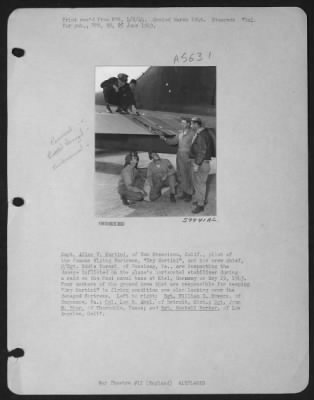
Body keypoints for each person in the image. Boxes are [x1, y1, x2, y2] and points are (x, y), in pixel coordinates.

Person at [161, 117, 194, 202]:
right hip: (179, 155)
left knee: (188, 175)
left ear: (188, 124)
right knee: (180, 174)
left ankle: (189, 194)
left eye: (184, 123)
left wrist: (193, 157)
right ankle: (184, 192)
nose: (182, 124)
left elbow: (196, 145)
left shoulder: (193, 133)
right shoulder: (179, 133)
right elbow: (173, 142)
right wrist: (164, 138)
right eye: (181, 123)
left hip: (188, 156)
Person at [189, 117, 216, 213]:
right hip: (202, 162)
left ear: (196, 124)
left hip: (201, 163)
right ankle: (199, 199)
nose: (190, 126)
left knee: (200, 184)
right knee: (198, 183)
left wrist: (196, 164)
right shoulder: (202, 133)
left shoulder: (201, 135)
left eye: (191, 124)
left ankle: (200, 205)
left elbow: (202, 151)